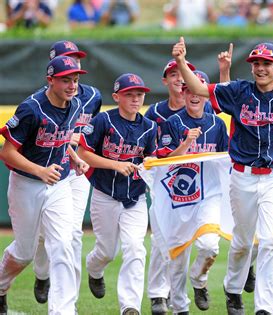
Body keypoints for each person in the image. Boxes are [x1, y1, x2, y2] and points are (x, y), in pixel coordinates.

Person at [172, 29, 273, 314]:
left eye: (267, 63)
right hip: (241, 176)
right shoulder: (239, 91)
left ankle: (264, 307)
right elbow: (201, 89)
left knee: (270, 241)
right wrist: (181, 62)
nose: (261, 67)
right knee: (242, 242)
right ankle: (232, 289)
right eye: (256, 63)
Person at [0, 55, 88, 314]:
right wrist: (39, 171)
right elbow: (6, 152)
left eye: (75, 79)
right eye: (65, 80)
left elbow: (60, 140)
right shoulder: (31, 108)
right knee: (25, 252)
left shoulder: (75, 105)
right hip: (26, 183)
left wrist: (76, 158)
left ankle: (62, 310)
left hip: (58, 184)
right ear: (50, 80)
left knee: (63, 244)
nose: (72, 85)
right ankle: (1, 287)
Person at [77, 73, 157, 315]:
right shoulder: (103, 121)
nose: (135, 99)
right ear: (116, 97)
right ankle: (94, 270)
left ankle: (130, 306)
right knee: (106, 251)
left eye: (139, 94)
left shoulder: (150, 126)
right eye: (129, 94)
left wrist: (152, 161)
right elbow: (83, 153)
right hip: (105, 195)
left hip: (135, 198)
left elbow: (151, 158)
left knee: (135, 247)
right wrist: (115, 164)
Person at [32, 40, 102, 306]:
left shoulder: (93, 96)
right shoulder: (43, 99)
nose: (74, 62)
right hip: (50, 170)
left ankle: (66, 303)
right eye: (66, 58)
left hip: (76, 172)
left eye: (76, 57)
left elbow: (88, 132)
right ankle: (42, 275)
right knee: (42, 236)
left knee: (72, 234)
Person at [157, 70, 229, 315]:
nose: (192, 94)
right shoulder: (173, 123)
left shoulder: (217, 124)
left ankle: (199, 280)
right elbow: (163, 161)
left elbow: (226, 159)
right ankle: (180, 309)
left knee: (210, 246)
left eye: (197, 89)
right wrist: (186, 144)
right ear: (183, 92)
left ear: (205, 94)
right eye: (187, 89)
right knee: (177, 258)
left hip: (208, 194)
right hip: (180, 196)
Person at [144, 58, 195, 315]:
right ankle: (157, 295)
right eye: (173, 75)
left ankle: (179, 297)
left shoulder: (201, 110)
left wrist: (223, 70)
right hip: (164, 179)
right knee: (162, 237)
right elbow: (146, 145)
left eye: (183, 74)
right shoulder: (154, 113)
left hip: (195, 181)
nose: (179, 79)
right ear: (165, 80)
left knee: (186, 240)